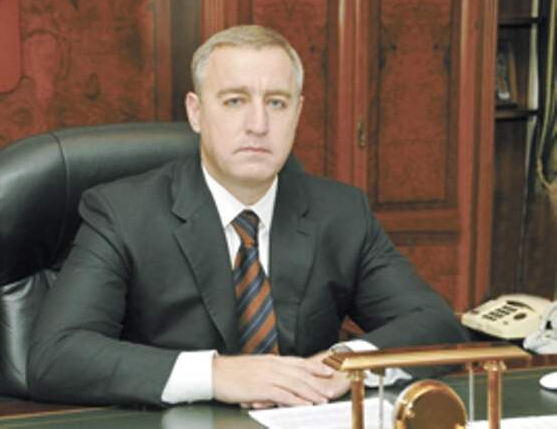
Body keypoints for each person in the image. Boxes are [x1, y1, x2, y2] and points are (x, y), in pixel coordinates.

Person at [27, 25, 468, 408]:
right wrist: (217, 375)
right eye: (235, 101)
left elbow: (435, 322)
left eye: (276, 103)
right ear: (196, 112)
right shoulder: (123, 213)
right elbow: (56, 356)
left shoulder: (341, 213)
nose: (258, 124)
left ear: (298, 113)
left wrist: (346, 366)